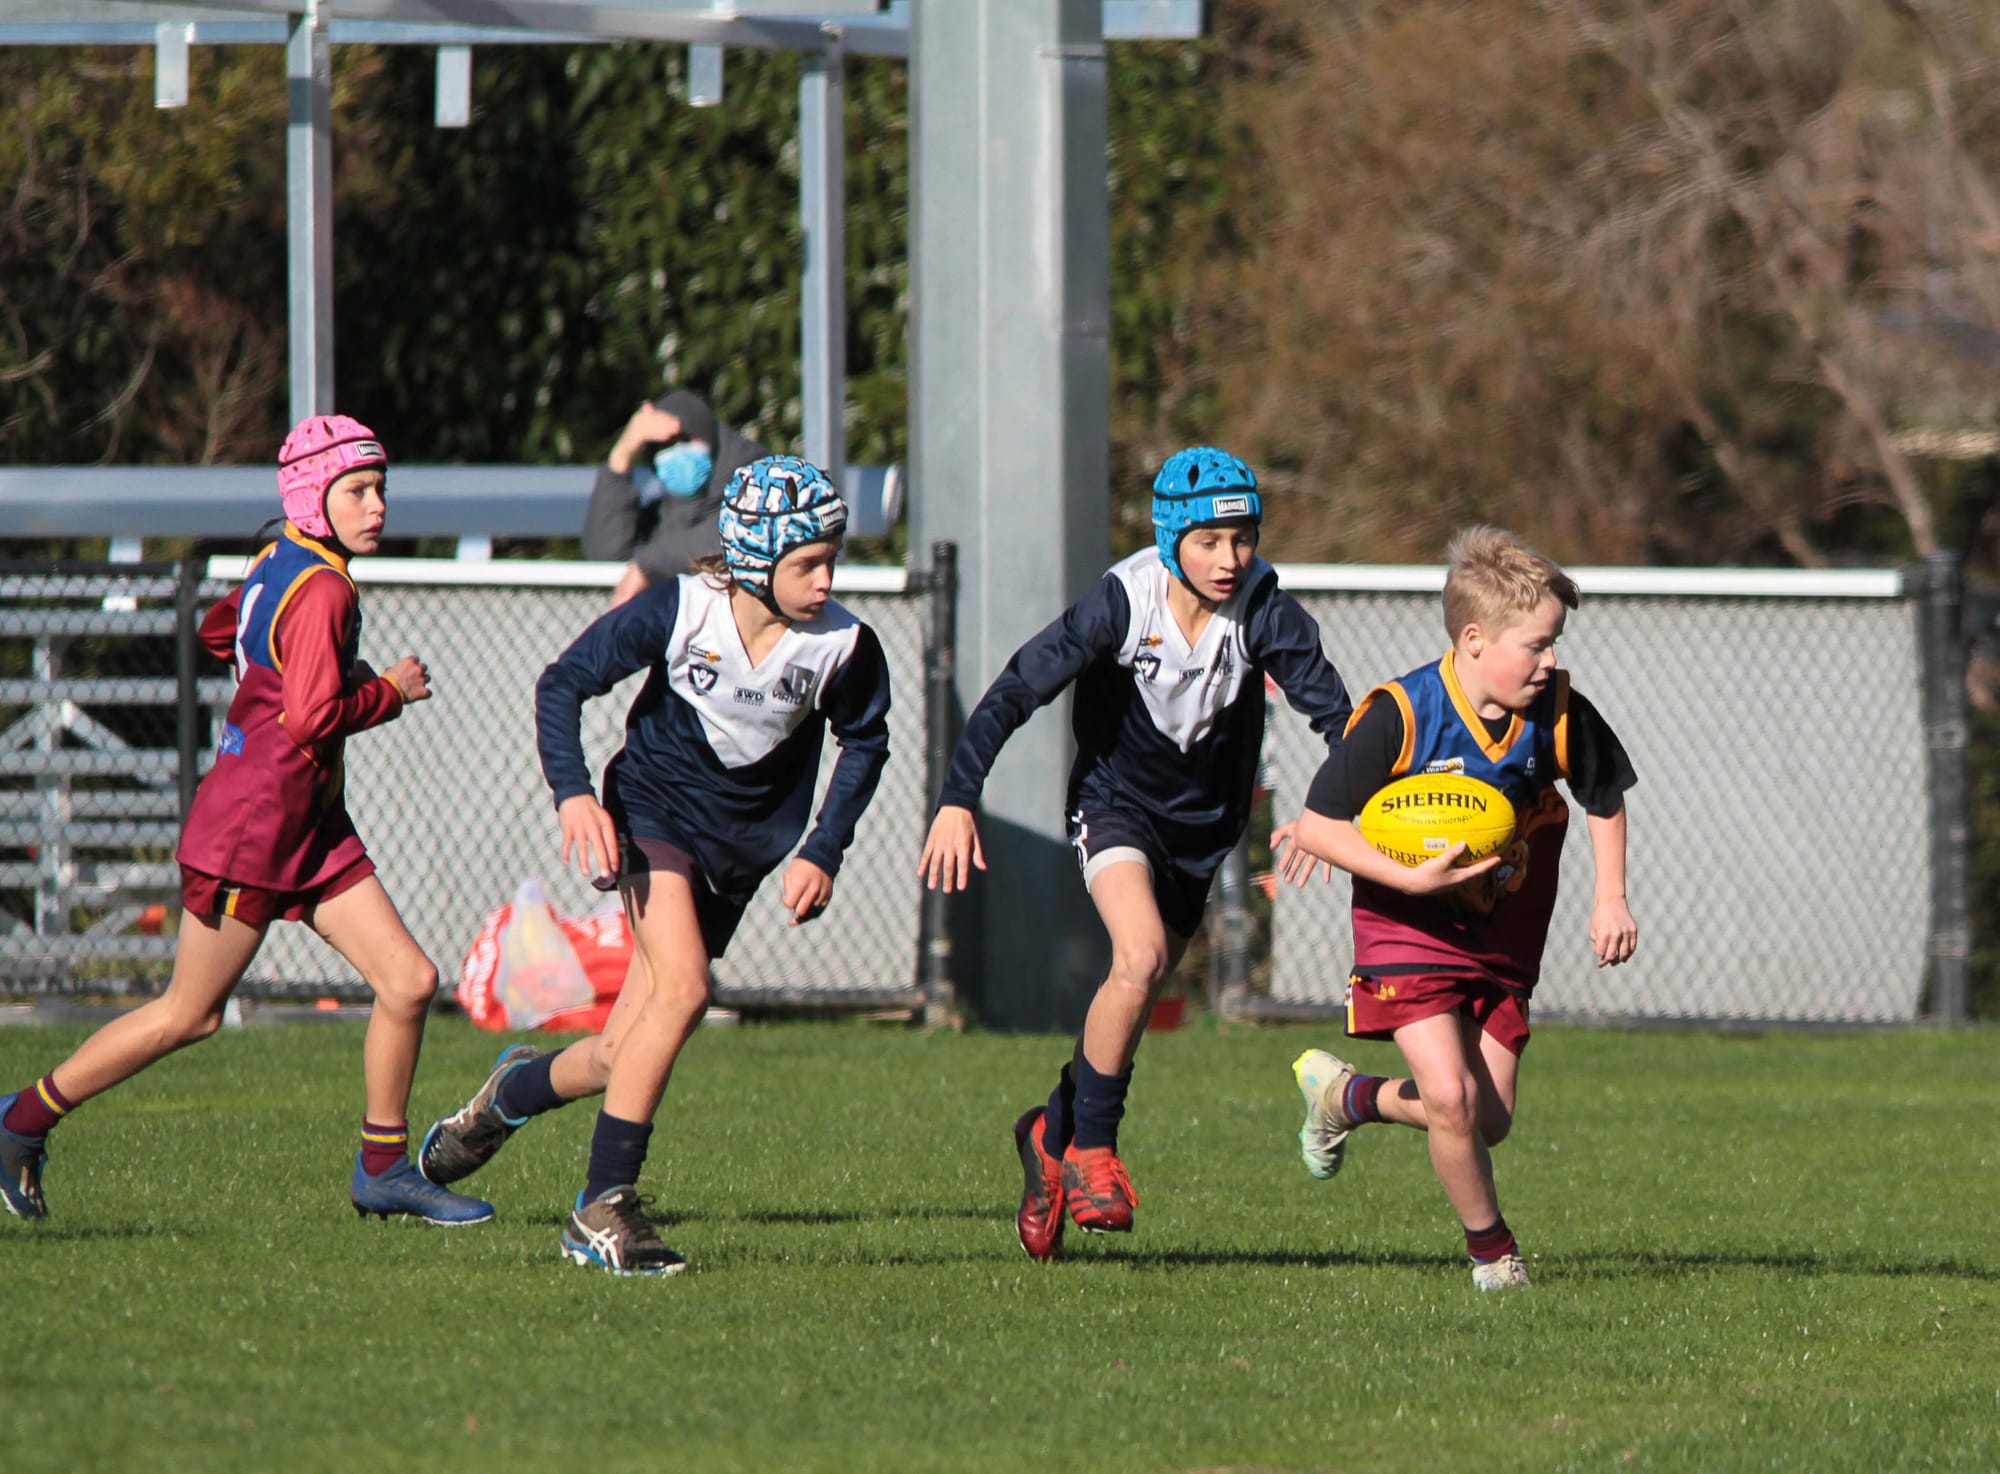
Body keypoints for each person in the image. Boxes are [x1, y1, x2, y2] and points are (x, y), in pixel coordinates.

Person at [0, 415, 493, 1227]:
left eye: (380, 489)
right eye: (358, 491)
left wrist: (288, 668)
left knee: (409, 980)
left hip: (309, 826)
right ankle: (20, 1121)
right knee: (187, 1014)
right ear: (312, 496)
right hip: (253, 832)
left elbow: (218, 629)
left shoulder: (279, 558)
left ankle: (383, 1171)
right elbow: (311, 718)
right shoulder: (325, 586)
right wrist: (388, 691)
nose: (377, 506)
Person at [417, 455, 891, 1276]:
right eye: (808, 563)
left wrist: (824, 846)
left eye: (832, 562)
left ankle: (507, 1098)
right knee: (685, 989)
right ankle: (603, 1206)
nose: (826, 581)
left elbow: (867, 742)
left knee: (619, 1053)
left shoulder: (842, 645)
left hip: (736, 855)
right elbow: (564, 683)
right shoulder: (681, 610)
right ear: (754, 558)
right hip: (653, 814)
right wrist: (574, 795)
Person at [918, 447, 1353, 1262]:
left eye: (1243, 538)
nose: (1230, 559)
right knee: (1141, 953)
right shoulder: (1124, 600)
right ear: (1170, 538)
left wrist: (1340, 808)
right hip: (1114, 806)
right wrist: (956, 798)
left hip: (1204, 829)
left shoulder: (1266, 609)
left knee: (1139, 987)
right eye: (1209, 541)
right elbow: (1016, 690)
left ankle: (1049, 1132)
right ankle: (1092, 1151)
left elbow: (1340, 719)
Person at [1276, 525, 1639, 1290]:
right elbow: (1317, 823)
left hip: (1503, 927)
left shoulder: (1559, 713)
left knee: (1487, 1119)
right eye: (1535, 646)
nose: (1550, 662)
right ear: (1474, 639)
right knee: (1450, 1097)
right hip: (1404, 923)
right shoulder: (1401, 713)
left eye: (1554, 644)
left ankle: (1347, 1097)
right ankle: (1494, 1257)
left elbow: (1604, 797)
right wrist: (1406, 878)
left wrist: (1611, 897)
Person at [582, 389, 771, 607]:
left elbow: (744, 534)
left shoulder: (761, 487)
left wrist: (649, 565)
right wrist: (622, 457)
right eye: (664, 446)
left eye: (685, 440)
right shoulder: (661, 517)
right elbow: (605, 557)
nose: (677, 451)